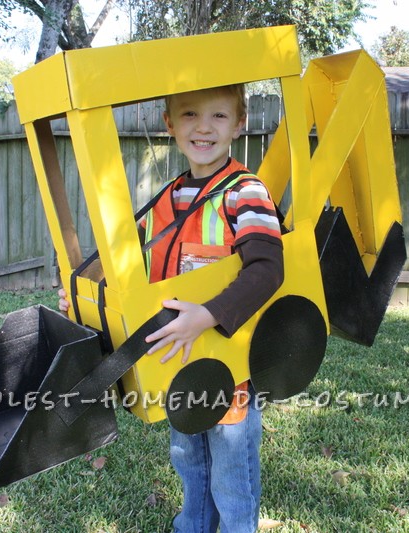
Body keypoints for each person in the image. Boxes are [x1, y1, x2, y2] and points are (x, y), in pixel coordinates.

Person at [59, 83, 284, 533]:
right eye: (188, 115)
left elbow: (267, 268)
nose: (203, 127)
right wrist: (84, 290)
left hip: (228, 363)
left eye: (219, 116)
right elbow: (125, 263)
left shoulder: (246, 192)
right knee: (187, 454)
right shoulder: (168, 198)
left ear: (239, 124)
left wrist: (207, 314)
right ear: (170, 125)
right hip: (177, 362)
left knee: (231, 463)